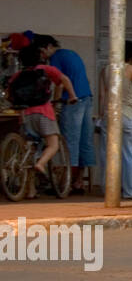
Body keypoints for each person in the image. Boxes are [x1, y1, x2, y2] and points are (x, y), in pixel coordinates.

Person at [5, 44, 75, 195]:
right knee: (53, 144)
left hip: (25, 115)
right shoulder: (47, 70)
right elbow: (65, 80)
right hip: (44, 112)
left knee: (29, 151)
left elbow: (9, 94)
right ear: (40, 57)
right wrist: (72, 96)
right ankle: (42, 164)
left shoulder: (18, 75)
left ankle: (30, 190)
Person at [34, 35, 96, 194]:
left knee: (70, 142)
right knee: (85, 140)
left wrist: (55, 103)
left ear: (48, 47)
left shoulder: (56, 57)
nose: (43, 56)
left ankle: (66, 184)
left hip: (72, 101)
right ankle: (79, 182)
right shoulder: (71, 53)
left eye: (42, 52)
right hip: (87, 97)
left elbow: (60, 83)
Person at [96, 41, 132, 200]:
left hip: (109, 115)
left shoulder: (106, 70)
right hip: (127, 114)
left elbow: (102, 95)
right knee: (131, 152)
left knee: (108, 153)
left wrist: (101, 114)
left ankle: (110, 188)